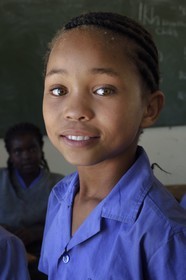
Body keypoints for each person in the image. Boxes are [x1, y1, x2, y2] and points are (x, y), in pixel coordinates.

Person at [38, 12, 186, 279]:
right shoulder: (60, 197)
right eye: (59, 90)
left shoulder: (166, 233)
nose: (74, 110)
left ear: (149, 108)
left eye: (103, 90)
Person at [0, 122, 63, 279]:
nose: (26, 156)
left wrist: (35, 233)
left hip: (42, 251)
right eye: (18, 151)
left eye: (31, 149)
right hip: (4, 248)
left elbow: (66, 225)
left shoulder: (59, 184)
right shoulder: (1, 179)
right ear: (10, 154)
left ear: (41, 149)